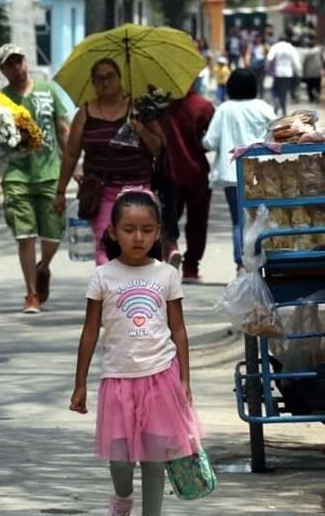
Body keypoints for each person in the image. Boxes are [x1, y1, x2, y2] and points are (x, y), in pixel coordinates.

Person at [70, 188, 203, 516]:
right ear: (113, 232)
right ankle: (123, 499)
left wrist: (185, 380)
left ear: (158, 232)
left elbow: (179, 330)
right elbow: (89, 332)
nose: (138, 237)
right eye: (129, 230)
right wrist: (80, 383)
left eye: (147, 230)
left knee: (155, 459)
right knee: (121, 461)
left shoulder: (167, 275)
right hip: (118, 380)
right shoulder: (102, 277)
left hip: (161, 379)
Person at [54, 58, 165, 266]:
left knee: (138, 248)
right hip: (102, 192)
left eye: (110, 76)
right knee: (105, 249)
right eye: (100, 79)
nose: (106, 82)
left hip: (138, 190)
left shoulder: (138, 108)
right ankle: (111, 295)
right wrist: (60, 191)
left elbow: (158, 147)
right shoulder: (84, 113)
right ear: (93, 84)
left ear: (120, 79)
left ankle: (139, 294)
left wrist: (141, 130)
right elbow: (71, 154)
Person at [0, 43, 70, 313]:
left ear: (26, 62)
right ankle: (31, 294)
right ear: (2, 70)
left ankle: (44, 267)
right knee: (25, 234)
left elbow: (63, 129)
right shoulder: (1, 100)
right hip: (17, 174)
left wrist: (74, 167)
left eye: (19, 61)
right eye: (9, 64)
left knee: (52, 234)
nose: (16, 68)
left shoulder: (47, 91)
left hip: (50, 172)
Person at [202, 69, 276, 273]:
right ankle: (262, 260)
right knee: (259, 219)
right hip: (260, 174)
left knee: (238, 221)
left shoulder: (224, 109)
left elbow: (209, 142)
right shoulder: (264, 107)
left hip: (231, 175)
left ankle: (241, 264)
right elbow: (277, 133)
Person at [159, 81, 215, 282]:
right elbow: (209, 141)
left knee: (167, 216)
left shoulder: (160, 106)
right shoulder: (203, 106)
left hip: (168, 170)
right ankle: (191, 267)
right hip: (197, 172)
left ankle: (170, 247)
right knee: (198, 221)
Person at [266, 35, 302, 115]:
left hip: (277, 72)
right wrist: (299, 72)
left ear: (278, 40)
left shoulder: (275, 47)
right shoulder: (291, 47)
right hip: (288, 73)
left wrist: (267, 69)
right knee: (284, 92)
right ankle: (284, 109)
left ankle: (276, 99)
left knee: (275, 89)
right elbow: (296, 61)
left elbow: (269, 59)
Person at [300, 37, 322, 104]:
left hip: (308, 72)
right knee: (317, 85)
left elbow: (303, 63)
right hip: (317, 71)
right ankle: (317, 95)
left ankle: (311, 98)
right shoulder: (319, 51)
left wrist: (303, 72)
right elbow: (322, 60)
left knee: (309, 86)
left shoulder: (306, 53)